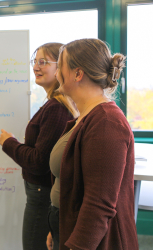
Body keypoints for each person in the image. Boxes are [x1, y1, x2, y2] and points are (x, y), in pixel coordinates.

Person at [48, 38, 138, 250]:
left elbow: (99, 205)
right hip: (68, 227)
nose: (56, 73)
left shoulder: (107, 122)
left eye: (60, 66)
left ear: (78, 74)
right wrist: (57, 227)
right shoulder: (86, 116)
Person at [0, 43, 77, 250]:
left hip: (42, 194)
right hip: (42, 191)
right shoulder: (55, 104)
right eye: (35, 61)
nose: (35, 67)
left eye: (43, 62)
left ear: (60, 68)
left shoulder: (56, 108)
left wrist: (9, 143)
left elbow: (39, 162)